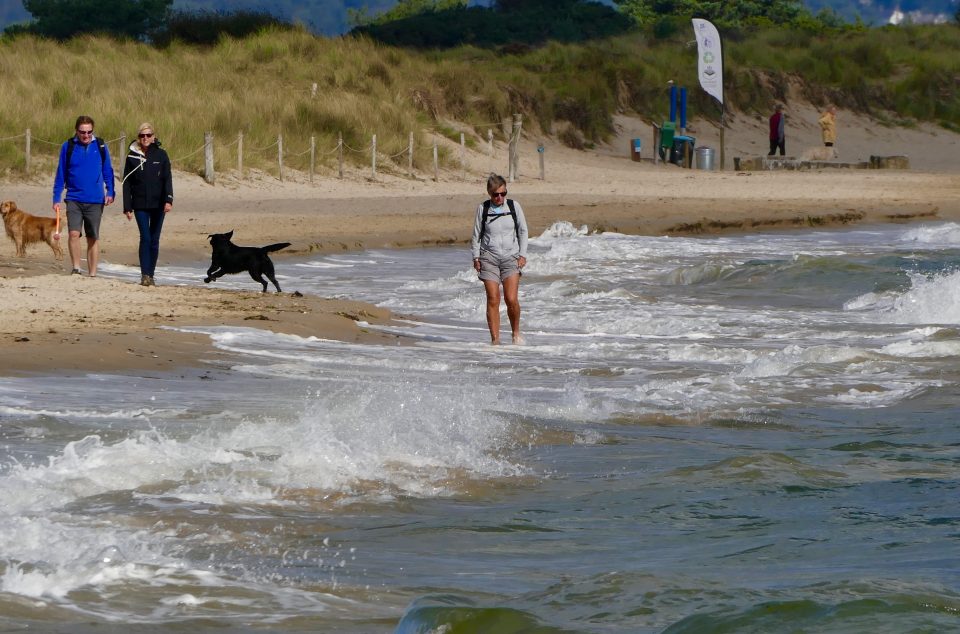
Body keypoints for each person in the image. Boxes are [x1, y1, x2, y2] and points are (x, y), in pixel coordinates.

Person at [52, 115, 115, 277]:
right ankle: (76, 268)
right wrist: (56, 198)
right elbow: (61, 173)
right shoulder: (68, 146)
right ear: (77, 131)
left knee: (92, 237)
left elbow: (107, 170)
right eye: (82, 132)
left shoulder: (100, 146)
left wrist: (110, 191)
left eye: (89, 132)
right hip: (73, 198)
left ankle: (93, 273)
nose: (86, 135)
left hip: (95, 199)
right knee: (74, 233)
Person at [471, 173, 529, 345]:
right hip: (488, 257)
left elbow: (523, 231)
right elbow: (476, 236)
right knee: (493, 298)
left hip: (511, 257)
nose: (499, 198)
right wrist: (476, 257)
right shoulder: (483, 209)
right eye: (495, 194)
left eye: (503, 194)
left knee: (511, 299)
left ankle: (515, 333)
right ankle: (495, 341)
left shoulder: (514, 206)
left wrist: (522, 255)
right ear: (489, 193)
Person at [122, 122, 173, 286]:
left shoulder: (161, 155)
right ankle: (144, 275)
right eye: (142, 136)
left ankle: (151, 274)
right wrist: (127, 206)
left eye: (148, 135)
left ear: (153, 137)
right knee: (145, 237)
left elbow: (167, 178)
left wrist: (169, 199)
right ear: (138, 138)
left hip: (159, 204)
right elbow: (127, 183)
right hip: (140, 204)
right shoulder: (132, 156)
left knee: (154, 239)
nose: (145, 138)